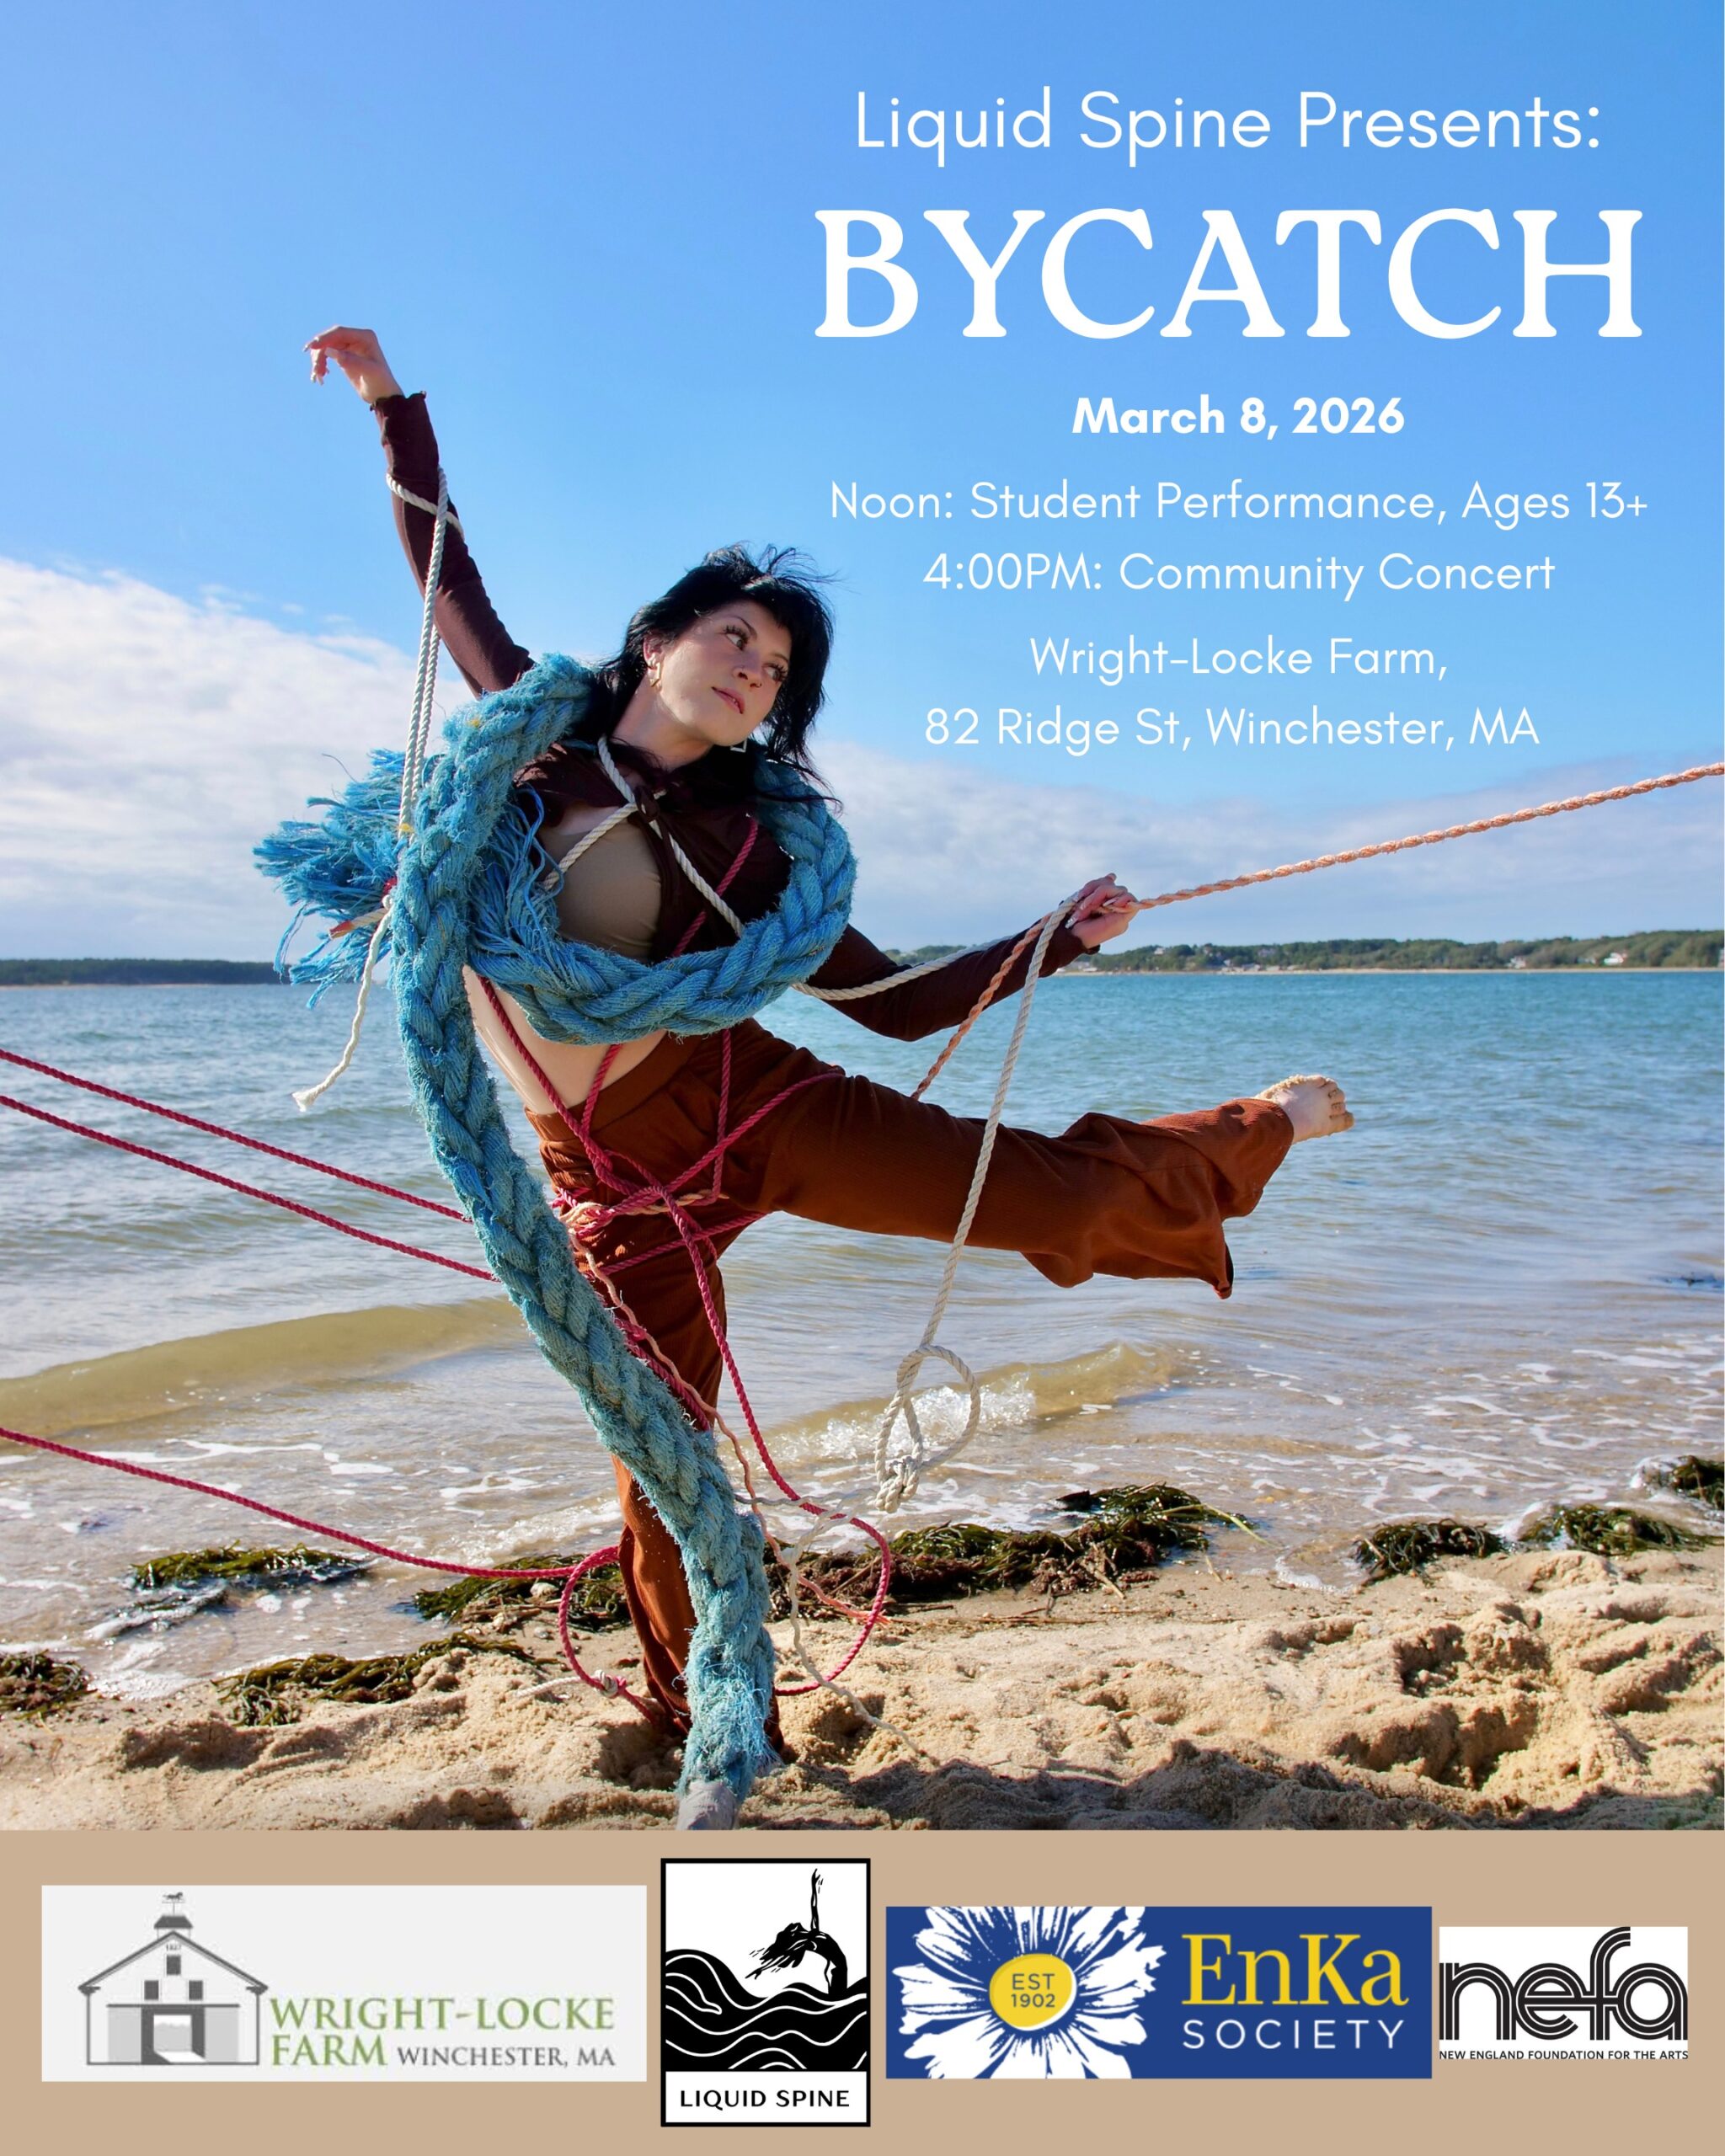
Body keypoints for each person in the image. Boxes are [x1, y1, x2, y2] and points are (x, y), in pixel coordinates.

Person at [304, 325, 1353, 1751]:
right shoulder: (531, 747)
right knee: (664, 1457)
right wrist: (389, 406)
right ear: (659, 641)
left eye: (779, 665)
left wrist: (1057, 938)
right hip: (610, 1179)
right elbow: (447, 571)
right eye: (735, 636)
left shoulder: (755, 847)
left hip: (756, 1106)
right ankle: (711, 1714)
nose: (754, 668)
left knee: (1054, 1198)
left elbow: (891, 1006)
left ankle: (1265, 1124)